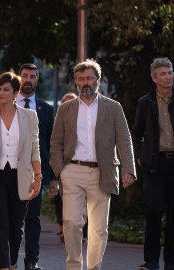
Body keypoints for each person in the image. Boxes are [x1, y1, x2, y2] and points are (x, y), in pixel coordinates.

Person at [50, 59, 136, 270]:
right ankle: (74, 266)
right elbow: (56, 142)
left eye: (89, 78)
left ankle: (94, 267)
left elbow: (124, 139)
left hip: (102, 172)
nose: (85, 82)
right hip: (72, 171)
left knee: (98, 228)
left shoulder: (113, 107)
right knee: (71, 222)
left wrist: (129, 169)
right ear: (76, 82)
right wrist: (61, 171)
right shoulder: (66, 109)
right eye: (80, 79)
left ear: (98, 80)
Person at [0, 72, 41, 270]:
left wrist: (38, 177)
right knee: (0, 222)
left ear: (15, 93)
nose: (1, 93)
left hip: (21, 176)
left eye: (6, 90)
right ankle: (2, 266)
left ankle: (12, 264)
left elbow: (35, 149)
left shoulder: (29, 116)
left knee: (16, 226)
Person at [132, 58, 174, 270]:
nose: (168, 77)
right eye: (164, 74)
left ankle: (171, 261)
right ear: (154, 78)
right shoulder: (145, 102)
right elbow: (136, 133)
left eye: (170, 72)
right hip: (154, 166)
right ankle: (151, 262)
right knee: (154, 210)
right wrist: (140, 155)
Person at [16, 63, 57, 270]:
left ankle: (32, 260)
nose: (28, 80)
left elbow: (52, 144)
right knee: (11, 219)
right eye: (25, 76)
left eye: (32, 76)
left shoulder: (46, 109)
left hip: (35, 172)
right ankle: (10, 259)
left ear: (37, 80)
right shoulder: (6, 104)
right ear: (18, 77)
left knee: (32, 217)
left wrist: (54, 177)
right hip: (9, 170)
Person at [53, 93, 80, 244]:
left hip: (80, 167)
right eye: (65, 103)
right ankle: (63, 231)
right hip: (62, 168)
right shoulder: (57, 123)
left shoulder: (84, 122)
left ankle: (80, 232)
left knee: (81, 203)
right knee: (61, 200)